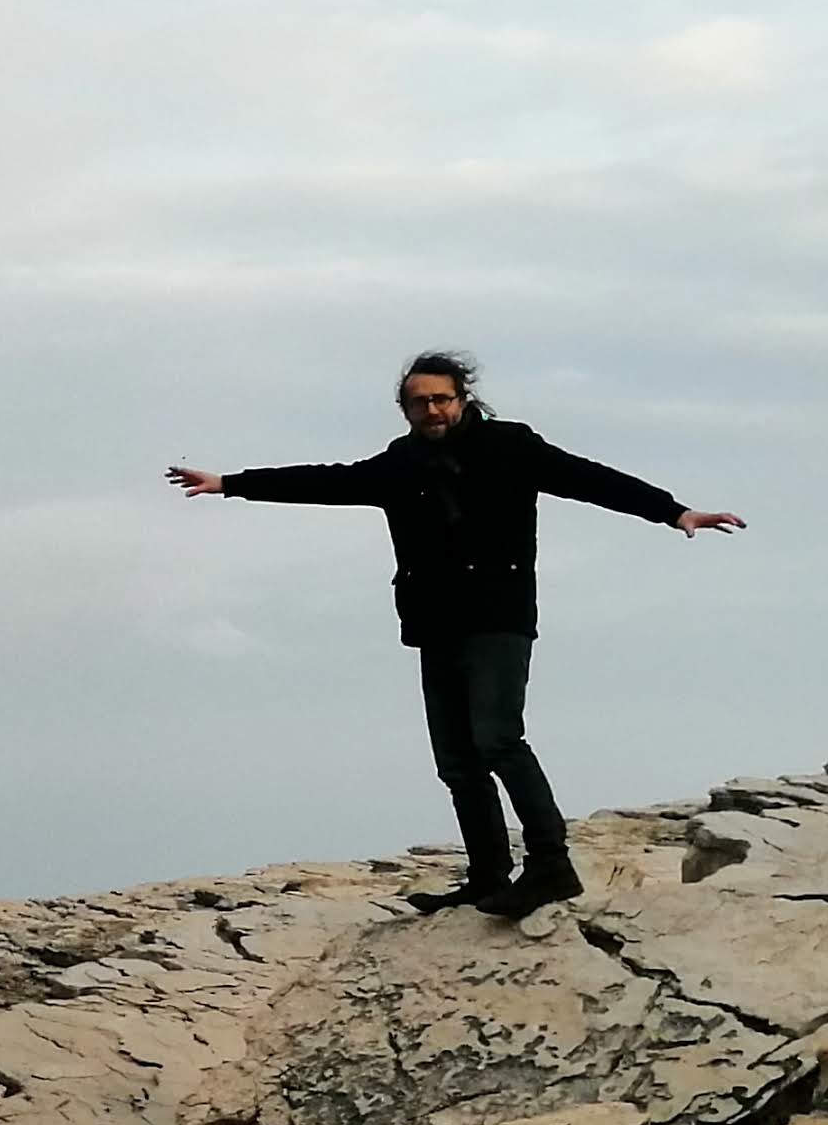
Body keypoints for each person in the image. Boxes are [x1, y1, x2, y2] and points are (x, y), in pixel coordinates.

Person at [168, 353, 741, 917]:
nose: (432, 409)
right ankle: (488, 876)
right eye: (420, 402)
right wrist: (229, 483)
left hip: (498, 618)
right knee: (457, 760)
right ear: (406, 409)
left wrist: (673, 512)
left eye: (441, 398)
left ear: (462, 398)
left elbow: (588, 479)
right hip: (434, 623)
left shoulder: (511, 447)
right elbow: (327, 482)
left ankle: (551, 867)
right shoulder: (401, 463)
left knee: (498, 740)